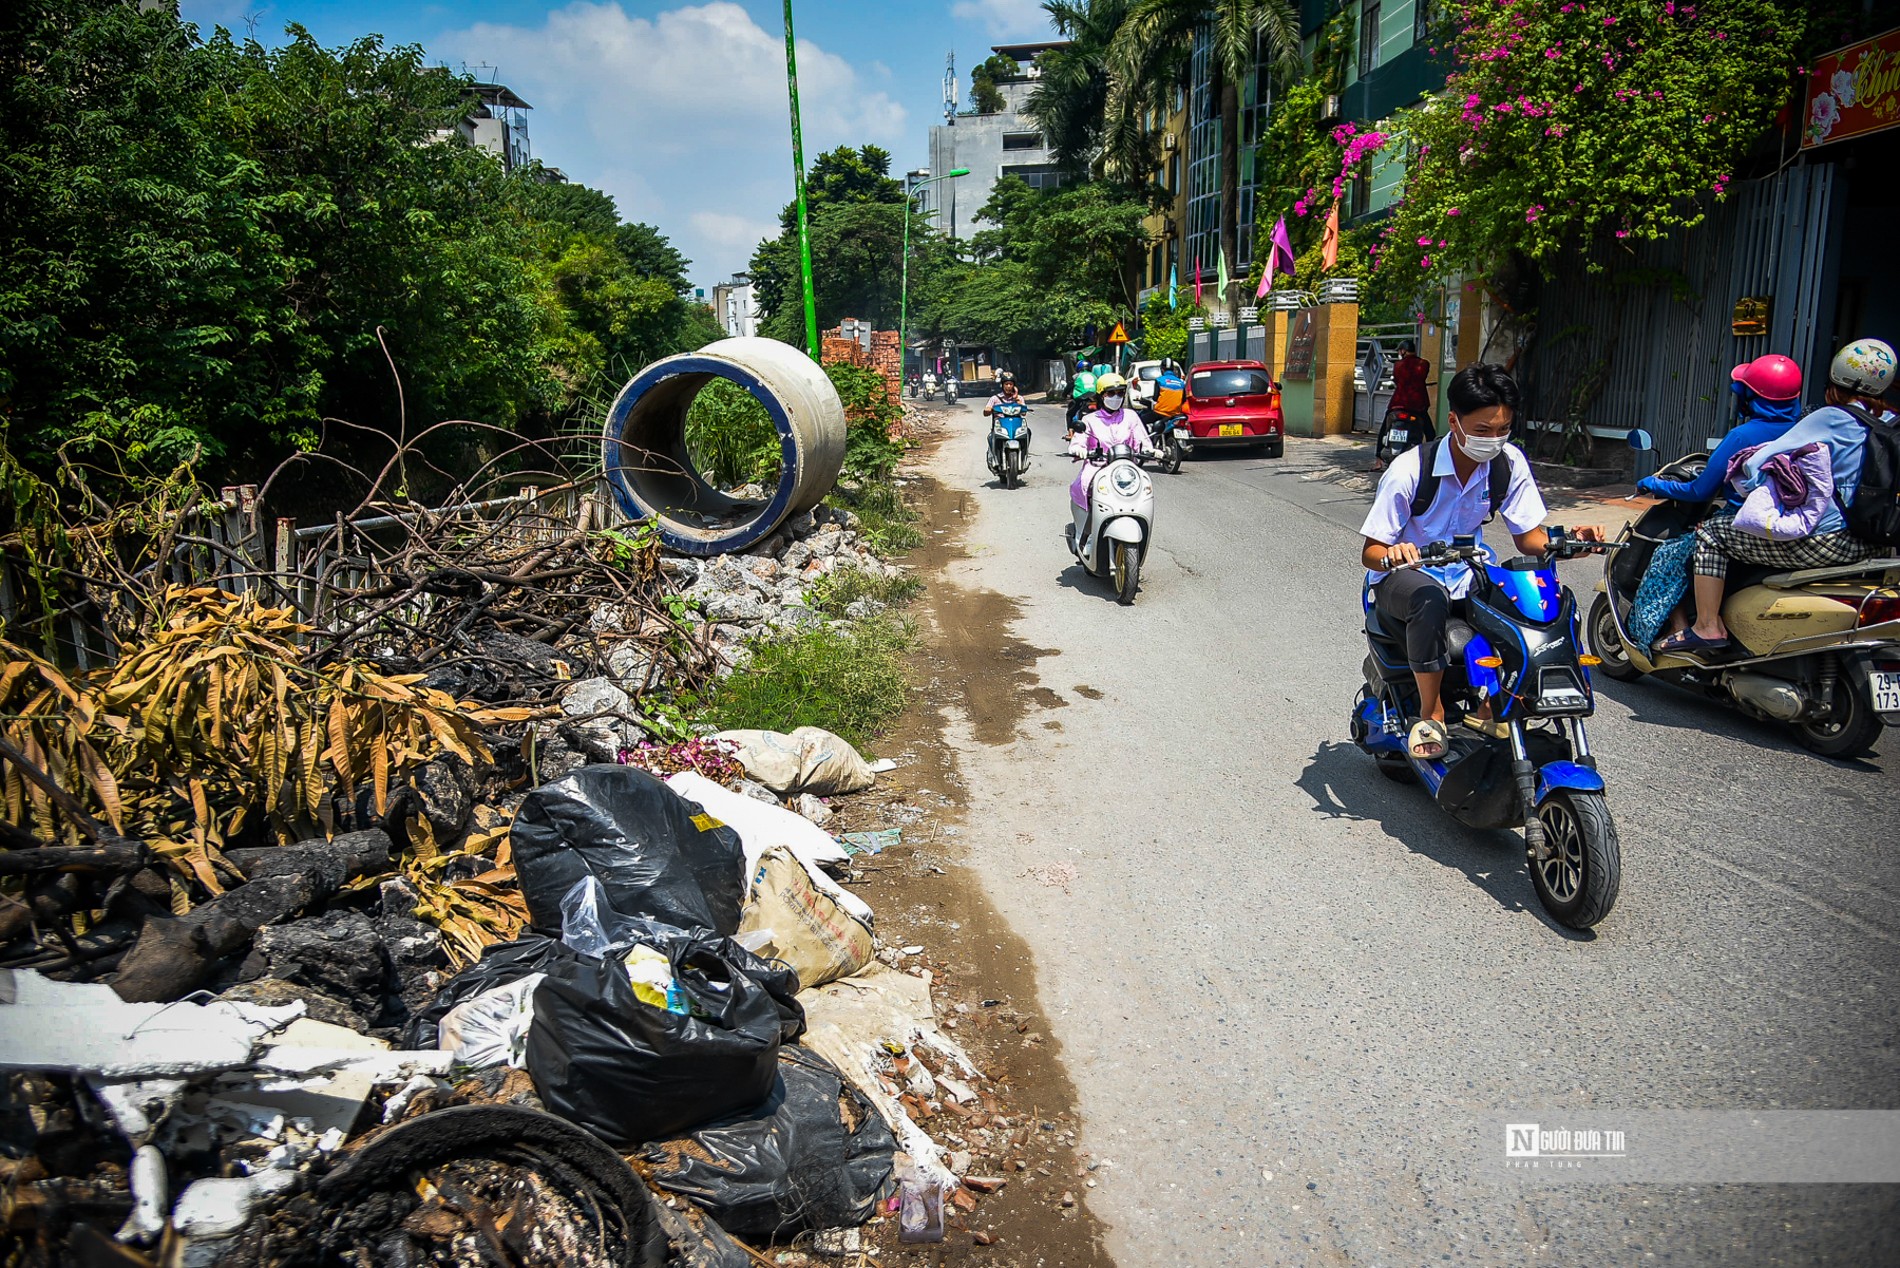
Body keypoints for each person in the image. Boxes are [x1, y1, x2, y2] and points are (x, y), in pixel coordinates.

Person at [1358, 363, 1597, 760]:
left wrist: (1571, 541)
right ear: (1454, 421)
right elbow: (1372, 551)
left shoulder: (1508, 464)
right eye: (1483, 431)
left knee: (1528, 597)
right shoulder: (1409, 470)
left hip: (1468, 573)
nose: (1494, 440)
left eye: (1503, 430)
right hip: (1404, 579)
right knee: (1428, 598)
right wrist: (1396, 554)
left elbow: (1529, 538)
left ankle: (1492, 707)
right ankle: (1430, 712)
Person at [1655, 338, 1893, 656]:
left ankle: (1707, 626)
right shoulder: (1890, 423)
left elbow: (1754, 466)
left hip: (1826, 541)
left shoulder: (1829, 418)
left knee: (1711, 535)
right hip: (1872, 540)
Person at [1625, 353, 1806, 649]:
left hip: (1742, 526)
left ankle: (1688, 628)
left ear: (1752, 396)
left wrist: (1653, 483)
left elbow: (1699, 491)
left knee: (1668, 557)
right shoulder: (1804, 430)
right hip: (1790, 527)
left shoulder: (1742, 435)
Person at [1068, 373, 1153, 511]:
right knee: (1083, 487)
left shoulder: (1131, 416)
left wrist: (1151, 450)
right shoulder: (1089, 419)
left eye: (1120, 393)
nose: (1116, 397)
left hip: (1126, 470)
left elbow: (1141, 439)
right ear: (1101, 395)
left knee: (1144, 490)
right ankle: (1084, 528)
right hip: (1097, 468)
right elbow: (1078, 442)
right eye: (1111, 393)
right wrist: (1079, 449)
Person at [1374, 342, 1435, 472]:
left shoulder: (1398, 365)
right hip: (1418, 405)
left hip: (1398, 403)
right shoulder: (1424, 364)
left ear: (1403, 351)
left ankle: (1378, 460)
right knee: (1430, 433)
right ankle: (1432, 460)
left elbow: (1397, 380)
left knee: (1385, 428)